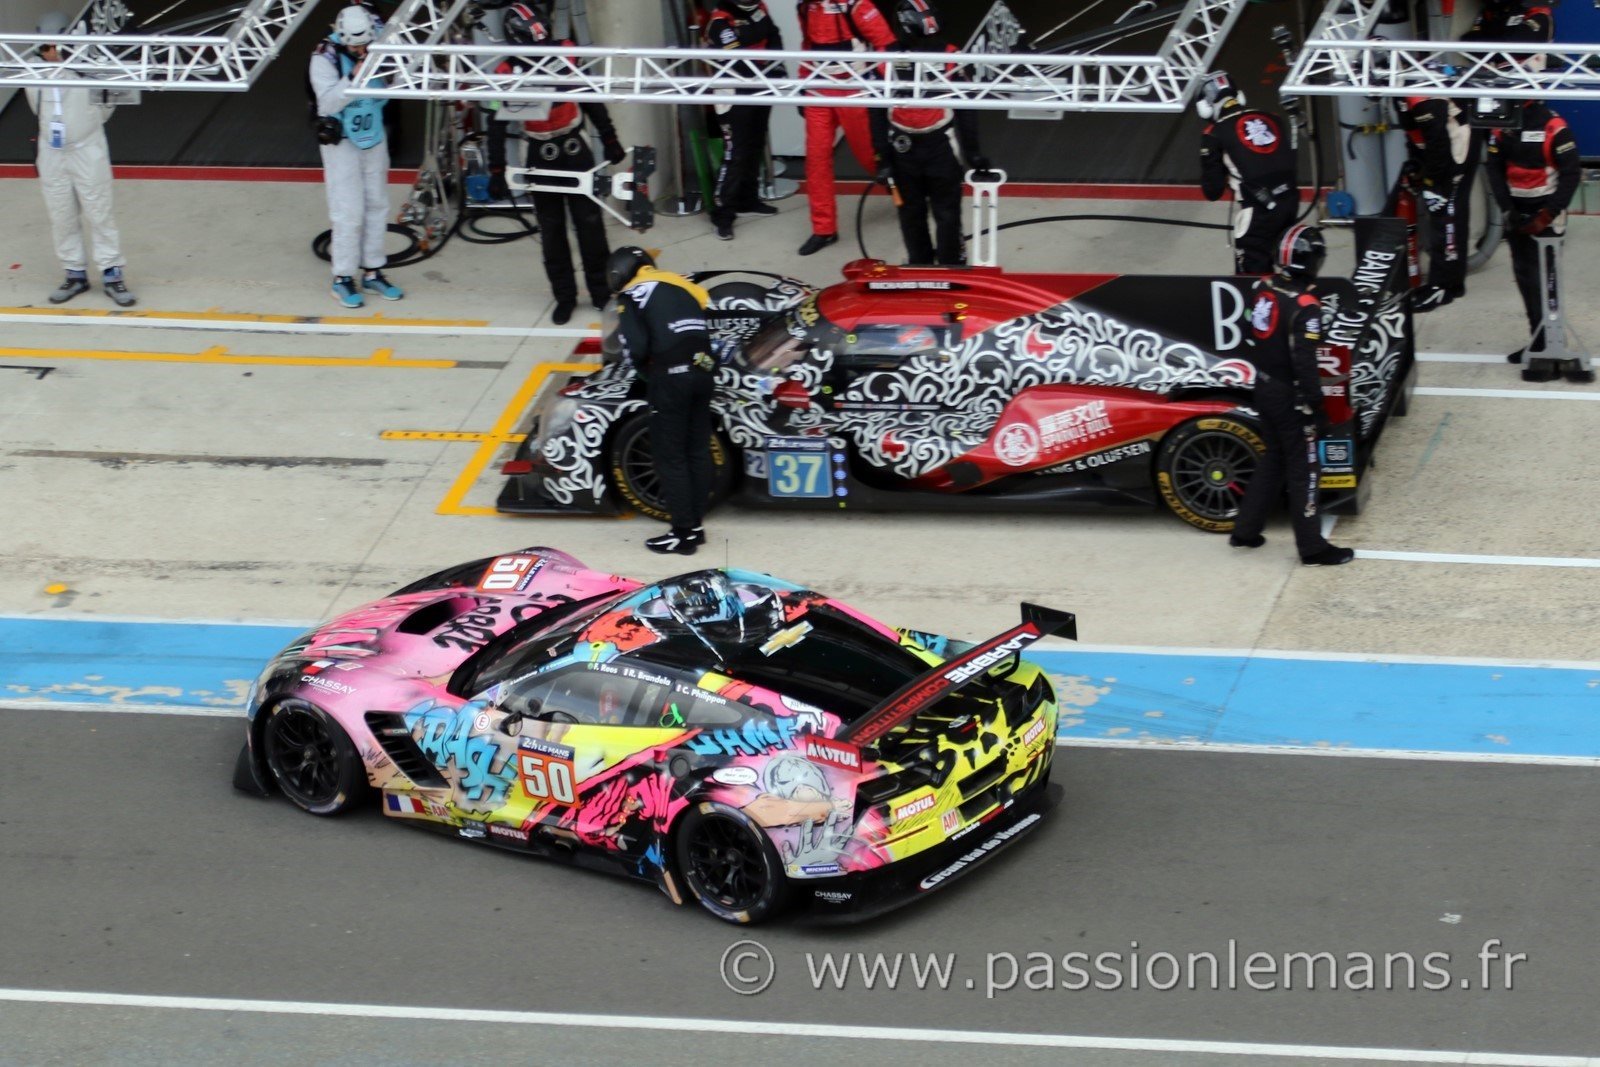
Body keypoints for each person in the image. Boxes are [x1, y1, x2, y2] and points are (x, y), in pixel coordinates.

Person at [488, 2, 625, 324]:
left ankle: (601, 293)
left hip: (574, 148)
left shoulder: (568, 53)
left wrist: (610, 138)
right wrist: (496, 169)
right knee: (551, 232)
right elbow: (495, 123)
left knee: (590, 227)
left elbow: (592, 98)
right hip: (539, 153)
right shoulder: (503, 73)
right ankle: (564, 297)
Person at [1228, 225, 1355, 567]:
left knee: (1273, 458)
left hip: (1263, 385)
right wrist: (1318, 406)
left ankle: (1245, 530)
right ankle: (1312, 548)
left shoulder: (1263, 287)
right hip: (1290, 397)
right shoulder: (1306, 306)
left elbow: (1250, 331)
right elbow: (1305, 363)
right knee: (1306, 470)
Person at [607, 247, 717, 555]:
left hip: (671, 379)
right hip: (704, 372)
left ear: (620, 272)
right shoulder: (683, 285)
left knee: (670, 457)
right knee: (697, 450)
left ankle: (683, 534)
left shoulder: (631, 295)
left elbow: (636, 348)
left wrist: (647, 375)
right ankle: (695, 526)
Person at [25, 12, 134, 307]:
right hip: (52, 151)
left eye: (55, 45)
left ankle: (112, 272)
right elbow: (36, 106)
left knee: (99, 210)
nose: (50, 52)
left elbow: (108, 104)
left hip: (87, 148)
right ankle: (74, 272)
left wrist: (83, 126)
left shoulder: (90, 69)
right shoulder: (32, 71)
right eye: (44, 47)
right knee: (60, 212)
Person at [869, 0, 984, 266]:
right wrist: (881, 158)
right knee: (911, 214)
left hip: (941, 144)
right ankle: (918, 268)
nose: (926, 43)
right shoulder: (884, 59)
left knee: (947, 214)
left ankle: (951, 267)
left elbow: (967, 109)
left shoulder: (951, 56)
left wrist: (973, 153)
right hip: (902, 147)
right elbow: (875, 112)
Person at [310, 4, 403, 309]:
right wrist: (355, 74)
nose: (360, 50)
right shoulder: (324, 57)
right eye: (354, 46)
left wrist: (389, 64)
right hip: (342, 142)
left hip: (373, 135)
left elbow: (398, 84)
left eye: (364, 45)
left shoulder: (381, 46)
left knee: (377, 204)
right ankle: (343, 277)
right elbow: (327, 103)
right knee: (348, 211)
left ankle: (373, 269)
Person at [795, 0, 899, 256]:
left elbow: (887, 45)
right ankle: (824, 230)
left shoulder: (857, 5)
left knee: (872, 157)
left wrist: (882, 89)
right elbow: (808, 46)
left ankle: (908, 195)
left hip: (856, 90)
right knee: (816, 160)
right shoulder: (805, 7)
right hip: (819, 90)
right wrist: (802, 84)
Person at [1484, 98, 1581, 368]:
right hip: (1516, 212)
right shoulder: (1501, 126)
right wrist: (1507, 209)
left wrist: (1547, 214)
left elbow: (1572, 173)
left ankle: (1555, 343)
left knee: (1547, 281)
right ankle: (1539, 342)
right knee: (1525, 278)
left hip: (1547, 213)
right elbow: (1493, 169)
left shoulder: (1554, 126)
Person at [1197, 70, 1300, 275]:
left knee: (1251, 279)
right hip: (1291, 201)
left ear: (1204, 107)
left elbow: (1212, 191)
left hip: (1258, 211)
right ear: (1239, 95)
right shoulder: (1273, 118)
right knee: (1292, 268)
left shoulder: (1213, 134)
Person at [703, 0, 783, 242]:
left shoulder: (760, 8)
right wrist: (757, 34)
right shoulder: (720, 20)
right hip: (732, 92)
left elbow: (774, 34)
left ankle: (748, 200)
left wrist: (775, 70)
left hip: (762, 85)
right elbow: (736, 55)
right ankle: (723, 215)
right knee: (735, 153)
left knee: (755, 145)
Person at [1394, 93, 1481, 312]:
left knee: (1446, 214)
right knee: (1447, 212)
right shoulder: (1398, 92)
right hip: (1441, 145)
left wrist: (1432, 181)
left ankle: (1441, 287)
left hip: (1456, 147)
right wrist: (1416, 165)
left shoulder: (1420, 95)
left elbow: (1438, 141)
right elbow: (1413, 133)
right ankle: (1453, 283)